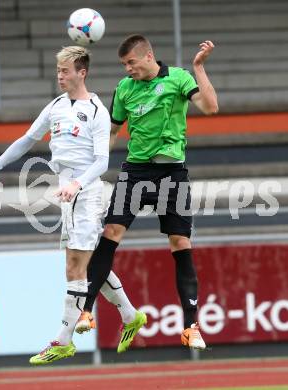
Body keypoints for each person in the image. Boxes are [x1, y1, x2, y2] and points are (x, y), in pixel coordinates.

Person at [0, 46, 146, 364]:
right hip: (67, 192)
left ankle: (63, 339)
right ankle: (129, 314)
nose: (60, 75)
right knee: (88, 263)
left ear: (81, 73)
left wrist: (76, 184)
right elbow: (27, 140)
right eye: (58, 70)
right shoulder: (55, 107)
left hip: (86, 191)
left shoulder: (96, 110)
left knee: (73, 267)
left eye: (65, 71)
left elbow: (101, 161)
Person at [75, 35, 219, 351]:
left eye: (131, 63)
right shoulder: (124, 89)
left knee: (180, 242)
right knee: (111, 231)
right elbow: (112, 132)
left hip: (173, 173)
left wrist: (199, 68)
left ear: (148, 56)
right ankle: (86, 311)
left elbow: (210, 107)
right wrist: (91, 171)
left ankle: (190, 326)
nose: (128, 70)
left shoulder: (179, 78)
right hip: (136, 172)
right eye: (124, 65)